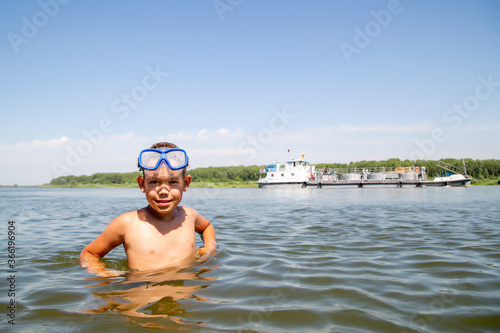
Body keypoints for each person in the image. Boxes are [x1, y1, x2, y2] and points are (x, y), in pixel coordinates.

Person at [79, 142, 216, 276]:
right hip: (144, 294)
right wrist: (103, 273)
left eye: (172, 181)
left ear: (185, 183)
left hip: (185, 297)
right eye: (154, 182)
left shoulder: (189, 215)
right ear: (142, 184)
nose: (163, 190)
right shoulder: (127, 224)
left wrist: (209, 247)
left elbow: (206, 227)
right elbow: (89, 253)